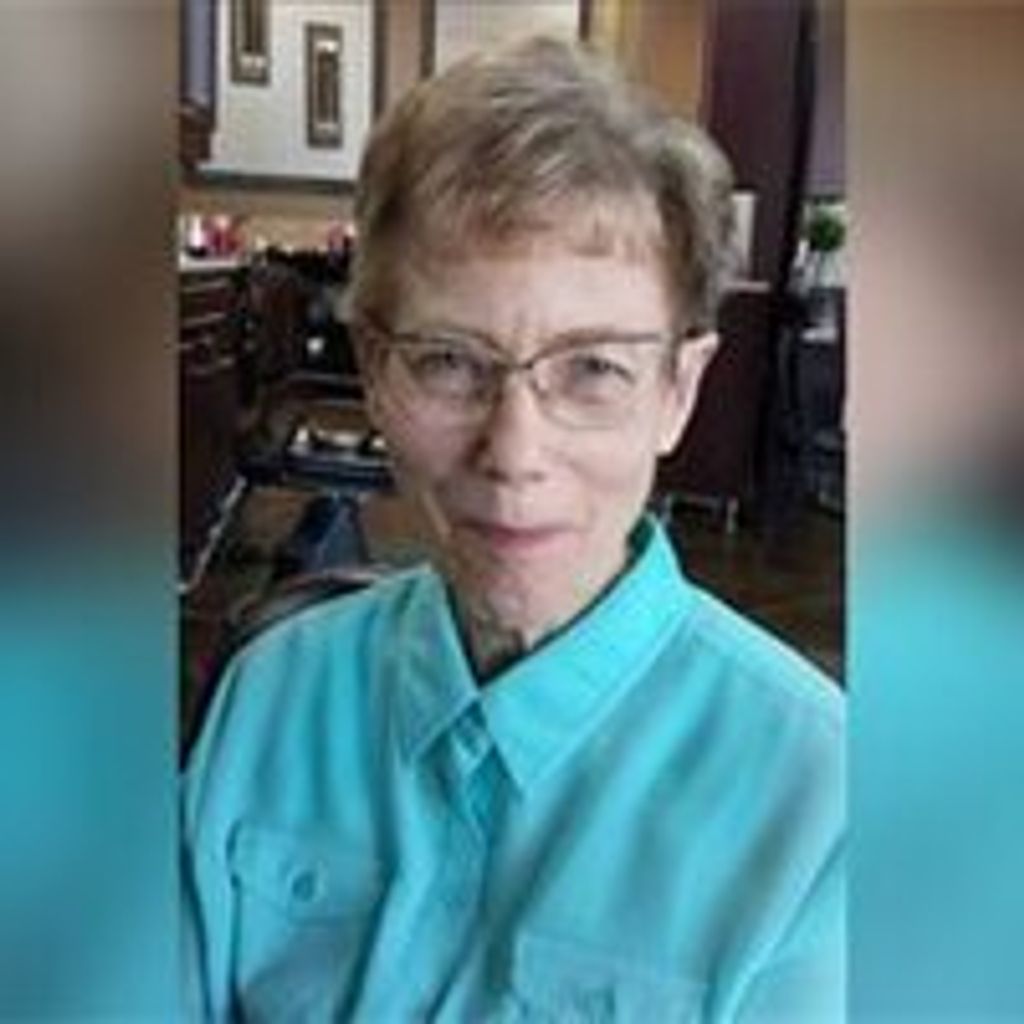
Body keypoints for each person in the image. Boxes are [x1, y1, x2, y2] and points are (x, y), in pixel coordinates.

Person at [182, 37, 844, 1021]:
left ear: (677, 389)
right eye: (450, 361)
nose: (514, 453)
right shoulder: (271, 693)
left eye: (594, 368)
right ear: (373, 369)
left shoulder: (823, 806)